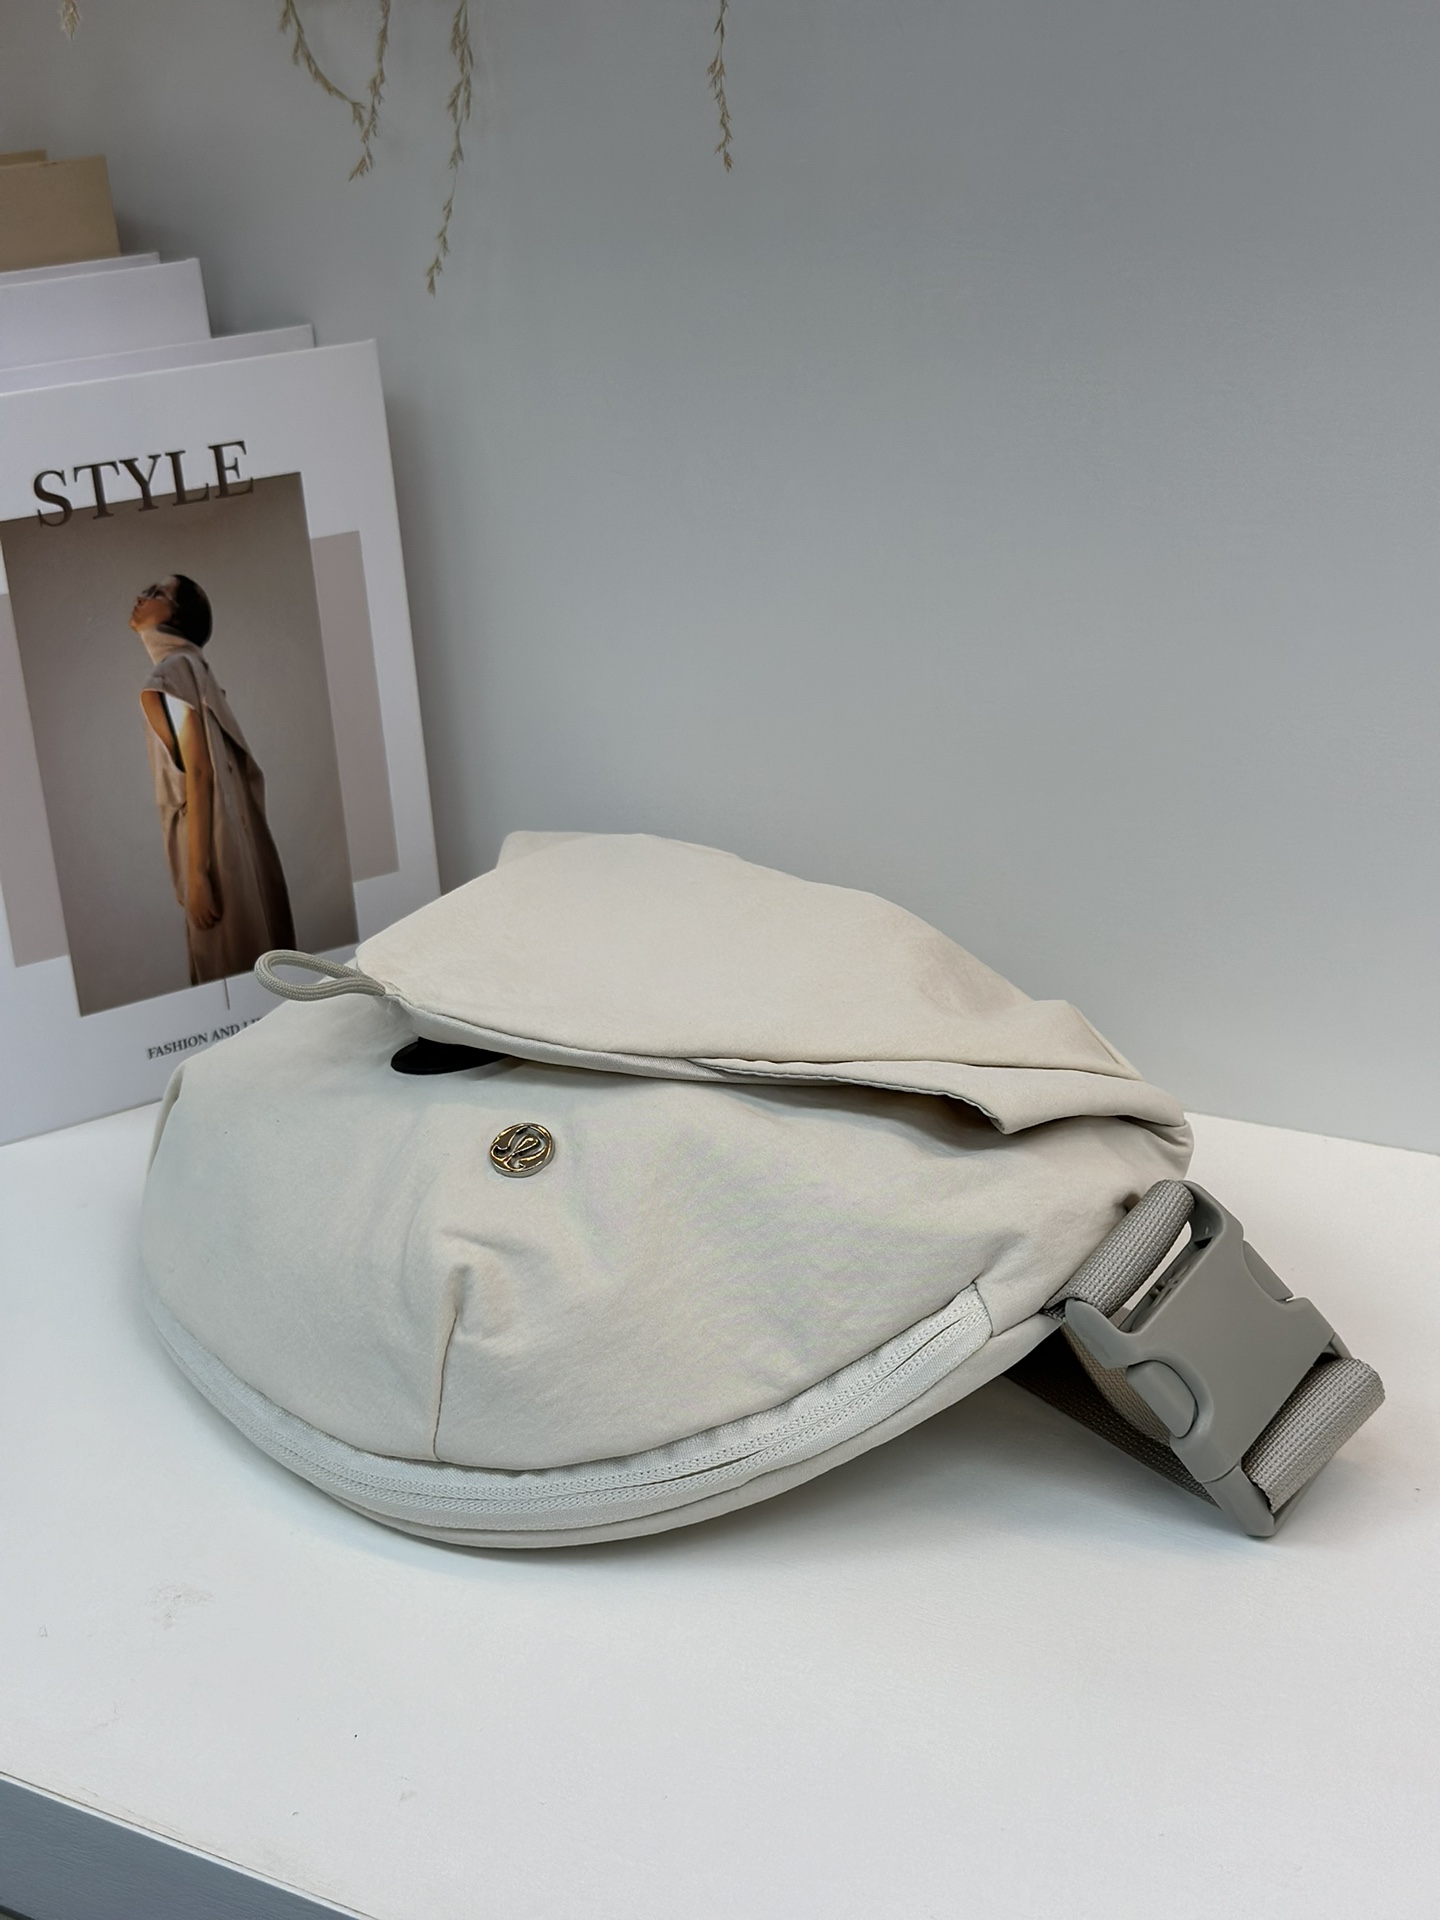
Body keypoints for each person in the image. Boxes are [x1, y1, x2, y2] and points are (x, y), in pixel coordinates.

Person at [130, 573, 295, 985]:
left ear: (177, 616)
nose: (141, 595)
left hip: (213, 855)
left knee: (226, 970)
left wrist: (198, 876)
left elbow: (199, 772)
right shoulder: (194, 669)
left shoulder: (176, 669)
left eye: (157, 593)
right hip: (231, 848)